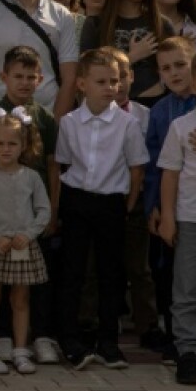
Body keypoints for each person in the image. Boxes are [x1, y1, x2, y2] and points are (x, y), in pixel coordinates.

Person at [55, 47, 149, 370]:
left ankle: (108, 342)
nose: (110, 87)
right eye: (101, 81)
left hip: (112, 203)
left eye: (114, 80)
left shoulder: (127, 124)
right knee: (74, 272)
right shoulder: (69, 122)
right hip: (77, 200)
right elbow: (63, 164)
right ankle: (70, 339)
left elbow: (137, 169)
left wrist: (128, 204)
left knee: (112, 273)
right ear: (81, 84)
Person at [0, 108, 51, 375]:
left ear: (24, 145)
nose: (6, 149)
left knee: (20, 300)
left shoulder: (31, 177)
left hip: (23, 247)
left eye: (12, 143)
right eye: (0, 143)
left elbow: (43, 211)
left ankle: (20, 350)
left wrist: (27, 234)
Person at [157, 47, 196, 385]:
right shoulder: (181, 126)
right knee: (187, 289)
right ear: (194, 83)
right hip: (193, 217)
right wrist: (167, 216)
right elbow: (170, 174)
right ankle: (186, 353)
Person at [143, 36, 196, 360]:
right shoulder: (161, 112)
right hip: (171, 203)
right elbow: (153, 164)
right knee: (168, 269)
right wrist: (155, 206)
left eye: (180, 64)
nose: (174, 73)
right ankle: (174, 332)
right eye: (166, 68)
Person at [80, 0, 173, 105]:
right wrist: (131, 57)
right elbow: (86, 71)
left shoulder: (162, 24)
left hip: (154, 103)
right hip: (110, 106)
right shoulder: (95, 24)